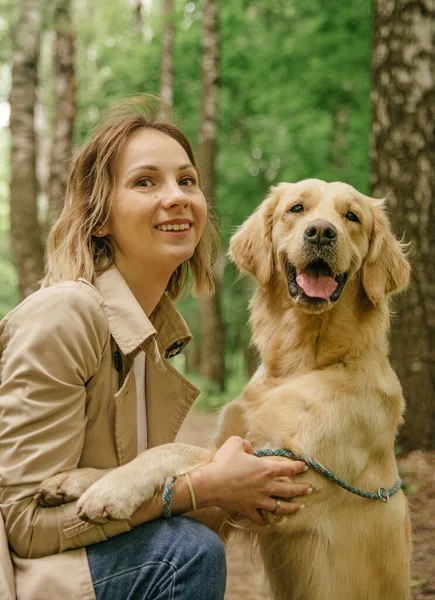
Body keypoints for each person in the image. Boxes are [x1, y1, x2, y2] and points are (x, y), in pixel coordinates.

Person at [0, 95, 311, 600]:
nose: (177, 196)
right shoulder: (65, 314)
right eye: (146, 182)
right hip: (33, 581)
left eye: (187, 180)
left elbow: (124, 498)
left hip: (79, 569)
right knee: (183, 552)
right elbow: (25, 523)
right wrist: (202, 487)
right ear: (99, 217)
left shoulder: (150, 335)